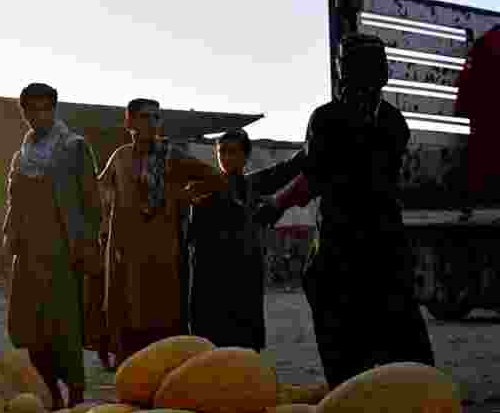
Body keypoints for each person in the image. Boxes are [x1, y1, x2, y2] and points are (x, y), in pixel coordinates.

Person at [253, 33, 436, 388]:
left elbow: (312, 174)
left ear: (343, 72)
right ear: (383, 73)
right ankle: (415, 392)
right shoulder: (395, 123)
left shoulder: (328, 118)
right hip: (387, 241)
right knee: (398, 322)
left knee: (329, 300)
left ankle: (351, 393)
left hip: (344, 239)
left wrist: (274, 203)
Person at [97, 98, 228, 367]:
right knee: (127, 317)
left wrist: (184, 195)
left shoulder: (172, 155)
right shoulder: (120, 156)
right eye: (146, 117)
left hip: (162, 253)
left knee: (163, 320)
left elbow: (213, 177)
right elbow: (99, 189)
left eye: (157, 118)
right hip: (127, 251)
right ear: (129, 121)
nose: (152, 123)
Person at [4, 83, 103, 408]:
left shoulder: (74, 147)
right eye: (33, 109)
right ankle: (51, 394)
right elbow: (13, 204)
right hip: (28, 255)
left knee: (65, 330)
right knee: (28, 330)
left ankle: (75, 394)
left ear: (54, 109)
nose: (40, 115)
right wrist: (8, 245)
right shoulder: (21, 156)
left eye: (46, 108)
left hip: (63, 254)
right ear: (25, 113)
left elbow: (91, 202)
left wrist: (88, 246)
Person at [186, 129, 266, 350]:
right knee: (209, 344)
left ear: (245, 156)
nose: (226, 157)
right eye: (222, 151)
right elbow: (191, 233)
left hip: (244, 277)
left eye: (233, 152)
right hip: (209, 277)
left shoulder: (252, 188)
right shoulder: (203, 187)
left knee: (243, 347)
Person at [454, 24, 500, 217]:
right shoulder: (488, 42)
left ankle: (467, 204)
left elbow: (466, 77)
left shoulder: (485, 41)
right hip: (491, 109)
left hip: (482, 110)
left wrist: (463, 107)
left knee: (476, 158)